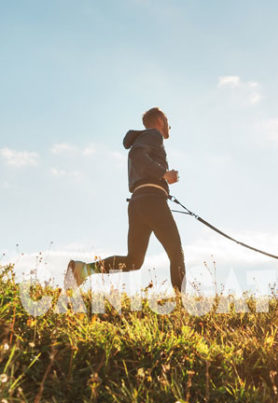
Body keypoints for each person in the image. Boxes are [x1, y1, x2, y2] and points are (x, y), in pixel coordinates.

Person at [63, 107, 186, 293]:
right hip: (152, 201)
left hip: (138, 202)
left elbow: (137, 157)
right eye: (167, 120)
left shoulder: (144, 138)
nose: (170, 125)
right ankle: (181, 307)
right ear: (160, 120)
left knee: (134, 261)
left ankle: (82, 270)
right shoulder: (154, 135)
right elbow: (137, 156)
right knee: (176, 253)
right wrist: (164, 174)